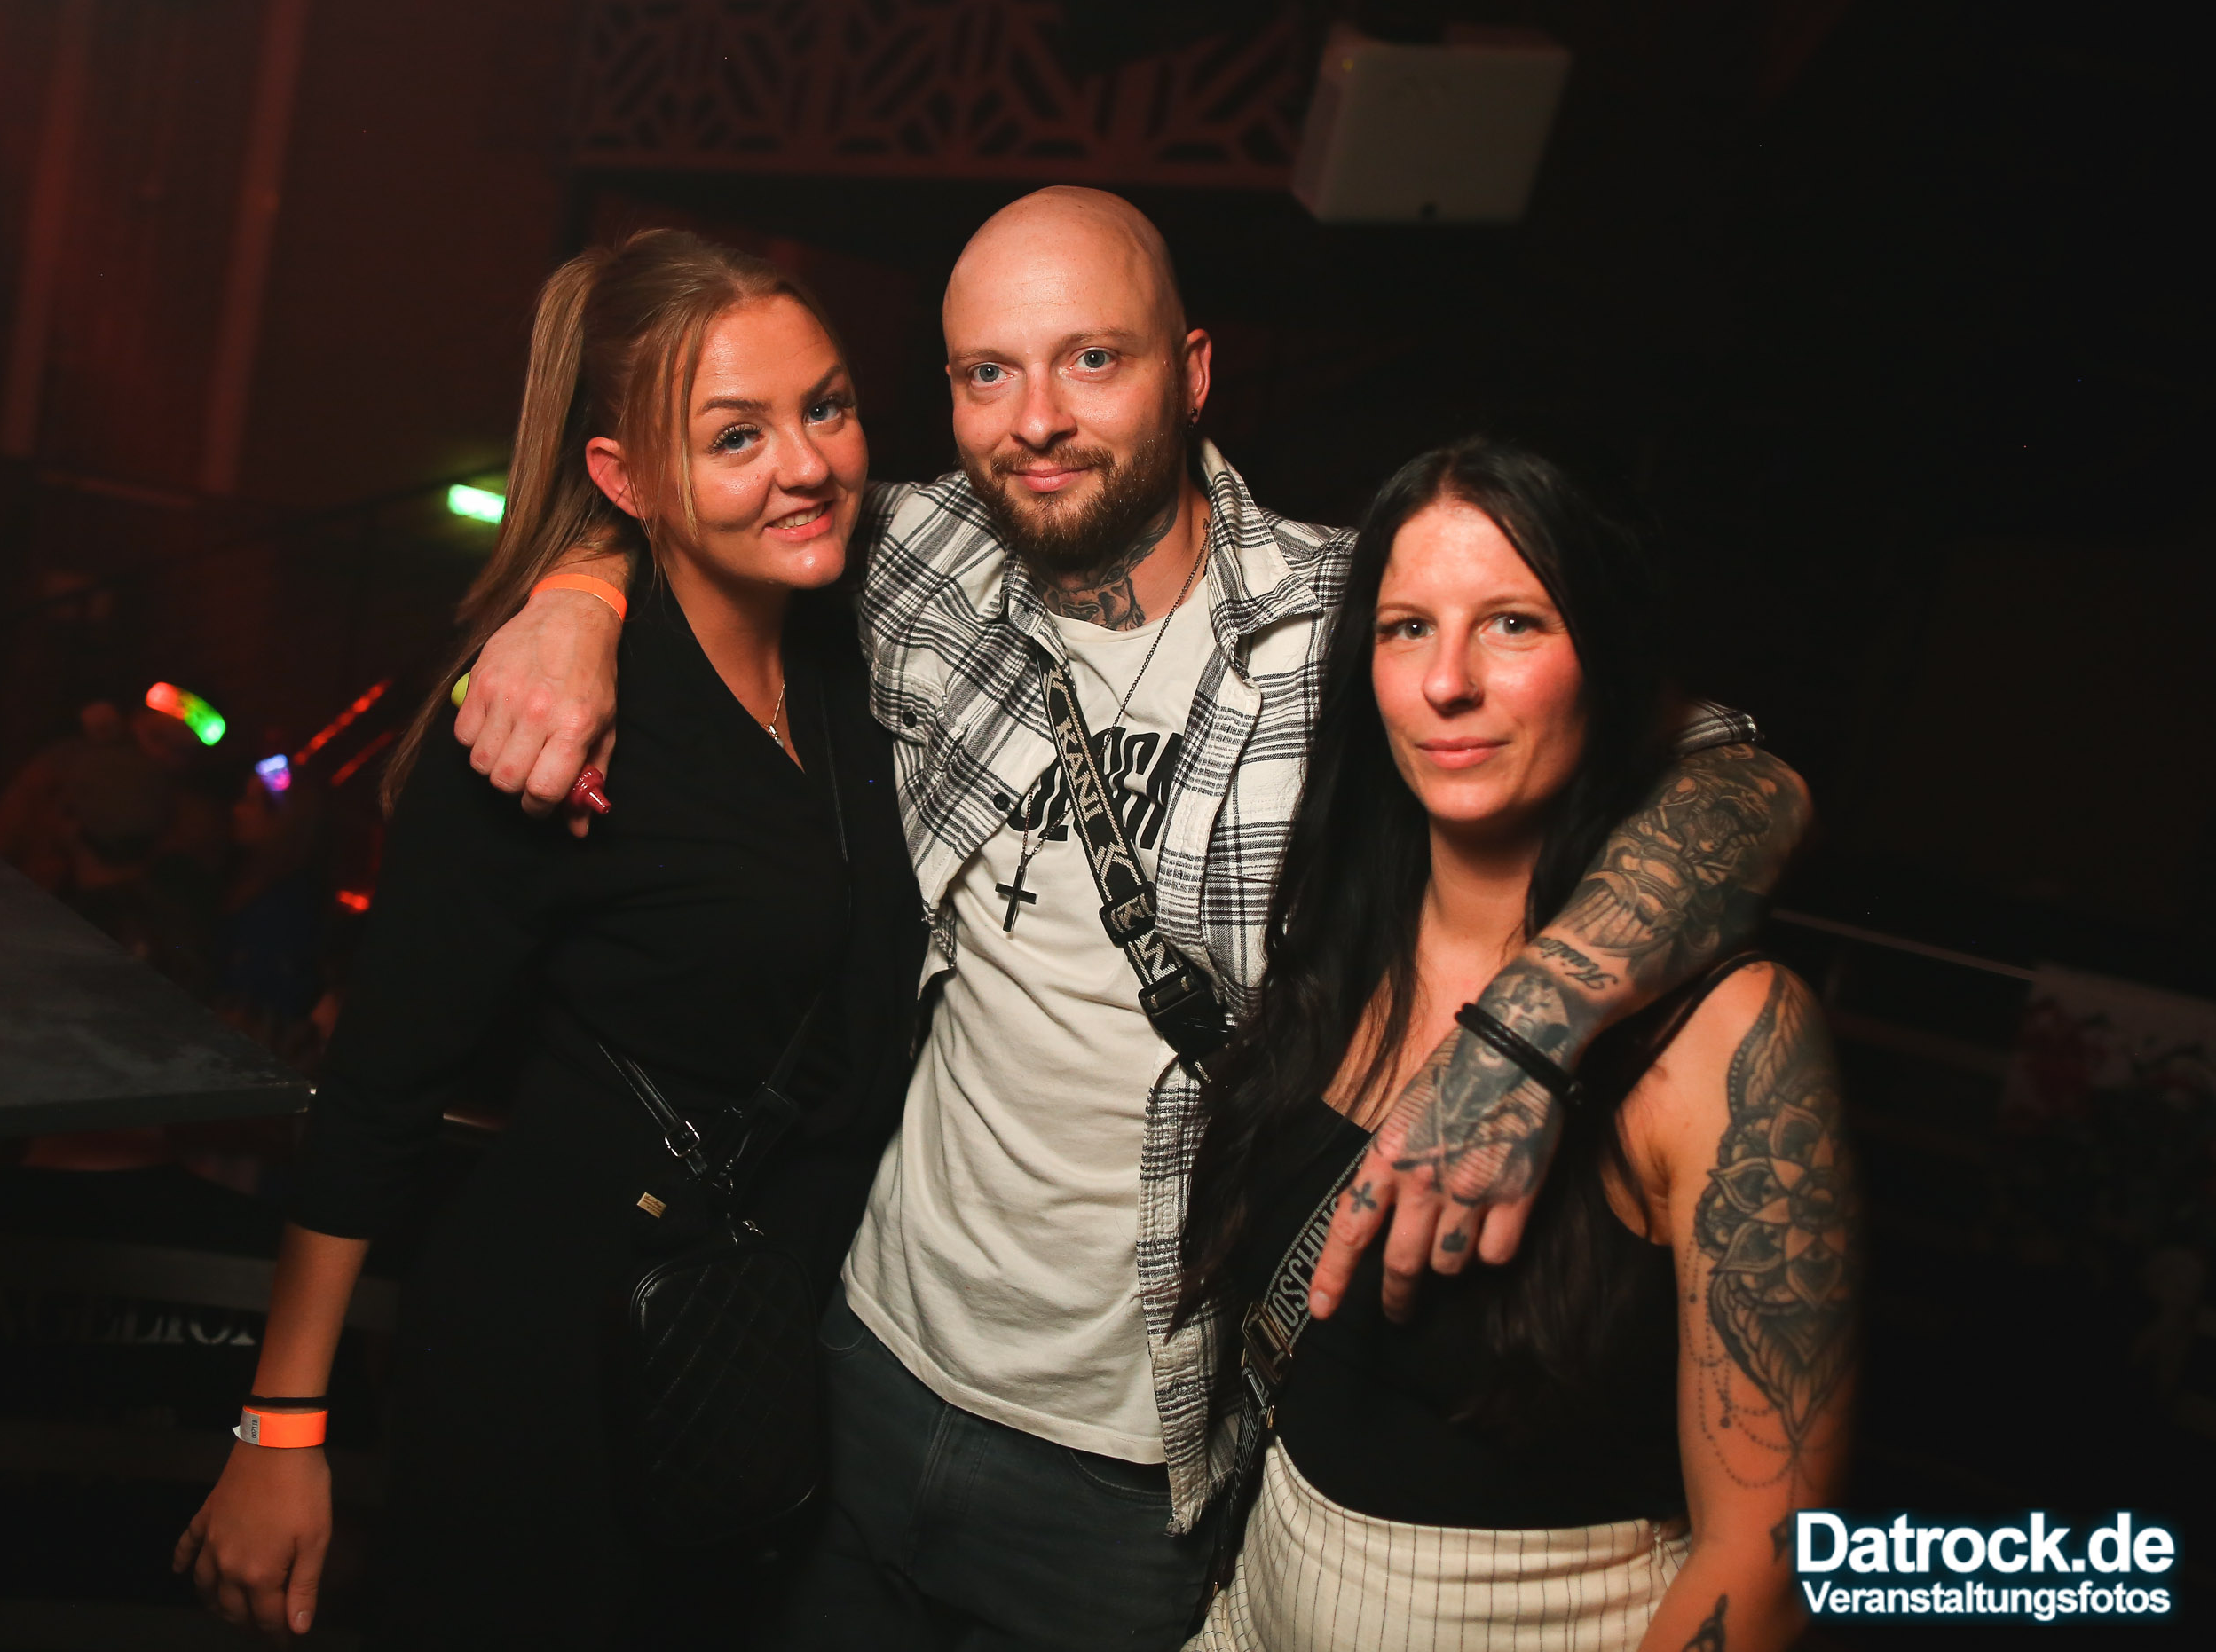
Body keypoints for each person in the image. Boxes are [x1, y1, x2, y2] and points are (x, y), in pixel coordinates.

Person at [455, 187, 1812, 1648]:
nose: (1036, 419)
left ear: (1194, 371)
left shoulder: (1356, 619)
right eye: (987, 373)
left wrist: (1530, 1031)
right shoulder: (913, 555)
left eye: (1093, 359)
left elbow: (1742, 776)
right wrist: (577, 597)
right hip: (862, 1365)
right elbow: (702, 507)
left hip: (1131, 1473)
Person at [170, 231, 926, 1647]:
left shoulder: (851, 650)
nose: (809, 463)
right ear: (624, 481)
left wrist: (585, 578)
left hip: (756, 1354)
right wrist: (281, 1425)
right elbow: (380, 1085)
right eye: (736, 435)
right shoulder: (544, 723)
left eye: (826, 406)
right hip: (554, 1362)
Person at [1180, 440, 1857, 1651]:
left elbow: (1772, 1554)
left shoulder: (1730, 1035)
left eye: (1512, 624)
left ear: (1610, 657)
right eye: (1406, 629)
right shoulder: (1341, 941)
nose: (1447, 682)